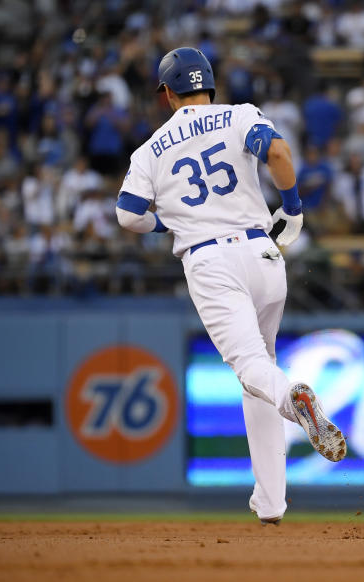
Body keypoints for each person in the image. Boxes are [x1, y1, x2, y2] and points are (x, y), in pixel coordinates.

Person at [114, 48, 346, 525]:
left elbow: (128, 214)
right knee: (260, 369)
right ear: (209, 85)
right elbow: (277, 152)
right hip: (264, 254)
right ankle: (272, 503)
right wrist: (295, 208)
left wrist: (168, 227)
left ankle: (295, 397)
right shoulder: (240, 115)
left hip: (210, 260)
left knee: (253, 372)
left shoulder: (150, 149)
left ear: (167, 94)